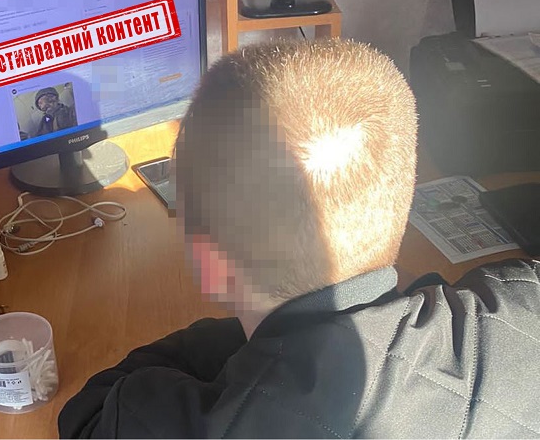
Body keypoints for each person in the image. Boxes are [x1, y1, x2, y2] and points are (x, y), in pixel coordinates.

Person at [58, 39, 540, 438]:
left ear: (211, 266)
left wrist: (263, 338)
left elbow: (90, 413)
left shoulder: (182, 425)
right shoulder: (525, 298)